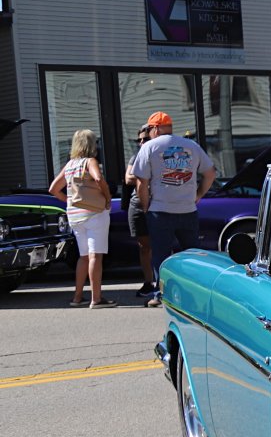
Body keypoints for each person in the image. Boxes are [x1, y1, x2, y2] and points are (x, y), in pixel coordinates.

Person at [131, 111, 215, 307]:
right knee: (193, 255)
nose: (149, 133)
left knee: (161, 256)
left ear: (155, 128)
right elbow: (210, 173)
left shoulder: (150, 147)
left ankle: (162, 296)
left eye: (150, 129)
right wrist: (198, 195)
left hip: (160, 210)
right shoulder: (191, 146)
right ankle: (195, 295)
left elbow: (141, 183)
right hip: (188, 210)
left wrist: (146, 206)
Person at [49, 129, 114, 308]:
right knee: (95, 256)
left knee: (83, 256)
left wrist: (69, 200)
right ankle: (96, 298)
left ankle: (77, 297)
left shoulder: (70, 164)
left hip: (75, 215)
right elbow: (98, 178)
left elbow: (53, 189)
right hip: (93, 213)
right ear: (91, 145)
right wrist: (108, 198)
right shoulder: (90, 161)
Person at [124, 124, 156, 299]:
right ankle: (148, 282)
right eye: (140, 140)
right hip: (137, 206)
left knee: (161, 245)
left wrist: (140, 174)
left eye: (146, 139)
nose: (142, 142)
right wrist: (144, 174)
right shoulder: (136, 157)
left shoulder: (160, 155)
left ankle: (162, 282)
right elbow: (128, 178)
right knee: (144, 247)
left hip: (157, 204)